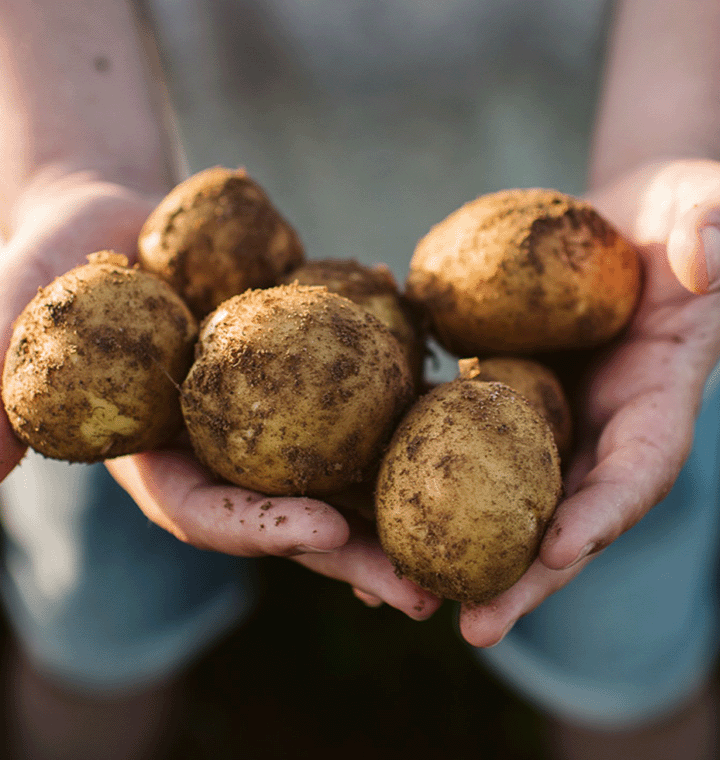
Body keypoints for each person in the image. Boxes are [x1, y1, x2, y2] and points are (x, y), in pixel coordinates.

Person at [0, 0, 719, 758]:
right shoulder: (171, 320)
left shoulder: (515, 361)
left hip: (592, 193)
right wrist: (69, 161)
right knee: (91, 613)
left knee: (630, 650)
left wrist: (676, 137)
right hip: (153, 178)